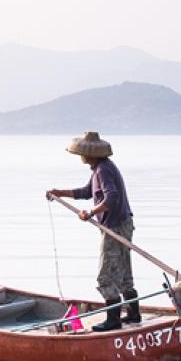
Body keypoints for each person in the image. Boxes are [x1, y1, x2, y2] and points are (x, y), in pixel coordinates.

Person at [46, 131, 139, 331]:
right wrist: (60, 193)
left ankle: (113, 319)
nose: (80, 156)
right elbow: (87, 192)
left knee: (105, 276)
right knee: (123, 273)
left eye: (82, 153)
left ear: (91, 154)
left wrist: (90, 212)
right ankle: (133, 314)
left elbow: (111, 198)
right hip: (123, 223)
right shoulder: (99, 169)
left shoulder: (104, 170)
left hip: (115, 226)